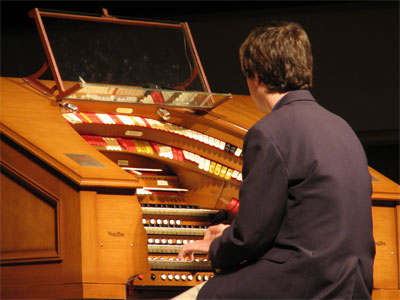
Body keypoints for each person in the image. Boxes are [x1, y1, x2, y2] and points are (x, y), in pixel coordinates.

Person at [176, 21, 375, 299]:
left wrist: (217, 247)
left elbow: (252, 237)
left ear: (255, 76)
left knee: (202, 295)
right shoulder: (342, 127)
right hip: (352, 282)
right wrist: (232, 232)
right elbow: (304, 220)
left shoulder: (268, 132)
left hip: (303, 281)